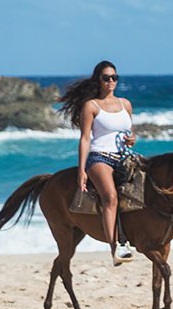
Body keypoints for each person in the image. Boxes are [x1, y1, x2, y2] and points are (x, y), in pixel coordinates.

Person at [58, 60, 137, 265]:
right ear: (99, 80)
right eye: (106, 78)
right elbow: (85, 138)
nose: (111, 81)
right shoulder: (91, 106)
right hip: (99, 157)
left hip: (123, 156)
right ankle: (116, 248)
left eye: (114, 77)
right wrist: (82, 170)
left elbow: (128, 132)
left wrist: (132, 139)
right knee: (110, 197)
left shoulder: (125, 104)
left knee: (155, 184)